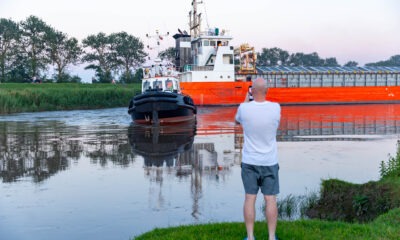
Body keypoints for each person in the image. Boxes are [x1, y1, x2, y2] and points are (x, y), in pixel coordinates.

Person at [235, 77, 281, 240]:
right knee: (271, 199)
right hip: (269, 161)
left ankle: (250, 236)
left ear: (252, 91)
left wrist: (247, 98)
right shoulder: (276, 108)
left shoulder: (243, 108)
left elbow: (237, 120)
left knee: (249, 198)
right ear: (267, 91)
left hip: (250, 162)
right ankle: (271, 237)